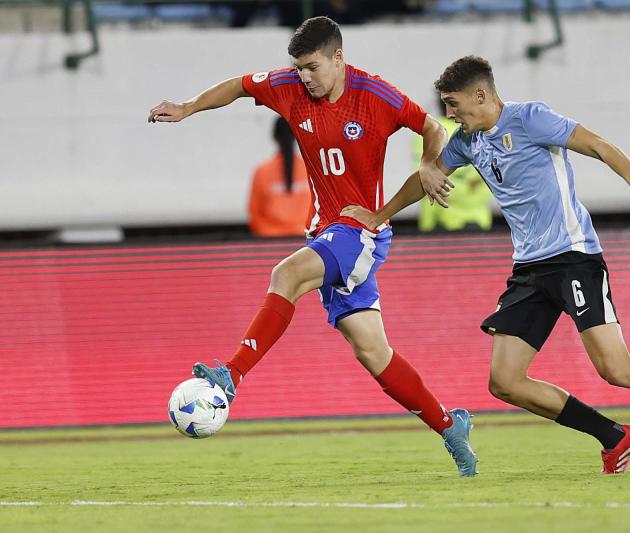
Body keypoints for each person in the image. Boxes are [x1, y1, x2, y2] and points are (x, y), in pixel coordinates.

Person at [341, 55, 630, 474]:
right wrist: (382, 212)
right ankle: (614, 437)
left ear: (480, 95)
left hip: (573, 257)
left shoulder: (530, 118)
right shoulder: (466, 141)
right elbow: (425, 178)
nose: (449, 113)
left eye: (453, 103)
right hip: (529, 269)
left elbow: (600, 146)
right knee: (505, 382)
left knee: (616, 369)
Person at [147, 17, 477, 476]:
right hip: (325, 232)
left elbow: (432, 128)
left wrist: (427, 164)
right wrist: (188, 107)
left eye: (312, 67)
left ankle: (232, 374)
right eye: (299, 68)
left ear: (338, 58)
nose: (304, 76)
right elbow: (239, 86)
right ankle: (450, 426)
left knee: (286, 274)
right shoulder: (289, 86)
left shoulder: (375, 94)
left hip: (360, 230)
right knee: (373, 353)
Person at [415, 99, 493, 232]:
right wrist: (469, 188)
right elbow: (491, 181)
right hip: (477, 221)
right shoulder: (483, 133)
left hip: (440, 221)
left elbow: (424, 182)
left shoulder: (428, 134)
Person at [248, 117, 311, 237]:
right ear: (296, 136)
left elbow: (255, 215)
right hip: (305, 238)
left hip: (271, 238)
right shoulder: (311, 168)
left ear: (275, 137)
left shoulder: (262, 171)